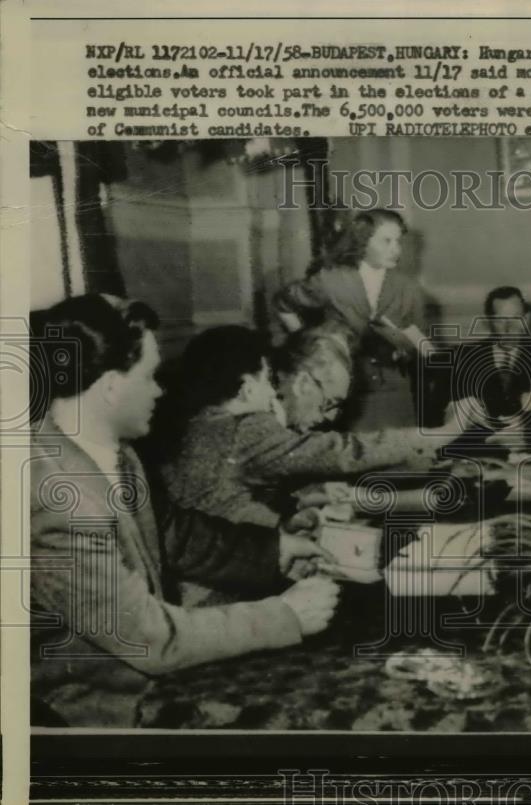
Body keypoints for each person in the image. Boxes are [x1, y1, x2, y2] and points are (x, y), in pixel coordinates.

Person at [29, 294, 339, 726]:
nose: (161, 389)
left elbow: (173, 533)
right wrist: (285, 616)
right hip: (95, 712)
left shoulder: (114, 453)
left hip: (153, 672)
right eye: (151, 376)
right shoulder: (54, 497)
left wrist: (276, 549)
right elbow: (149, 639)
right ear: (111, 387)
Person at [160, 323, 471, 530]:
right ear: (305, 382)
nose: (273, 391)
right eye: (329, 403)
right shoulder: (244, 427)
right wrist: (440, 434)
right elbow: (344, 451)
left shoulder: (213, 423)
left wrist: (305, 506)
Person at [273, 209, 427, 431]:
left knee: (403, 456)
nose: (396, 249)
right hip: (347, 390)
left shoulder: (408, 288)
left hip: (395, 390)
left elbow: (420, 342)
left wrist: (404, 347)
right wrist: (310, 343)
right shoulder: (330, 280)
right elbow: (283, 303)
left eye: (398, 241)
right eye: (386, 241)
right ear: (362, 241)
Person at [446, 286, 531, 428]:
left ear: (526, 319)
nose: (509, 328)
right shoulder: (465, 356)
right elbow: (447, 411)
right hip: (479, 444)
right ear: (488, 321)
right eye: (500, 320)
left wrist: (527, 426)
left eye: (516, 318)